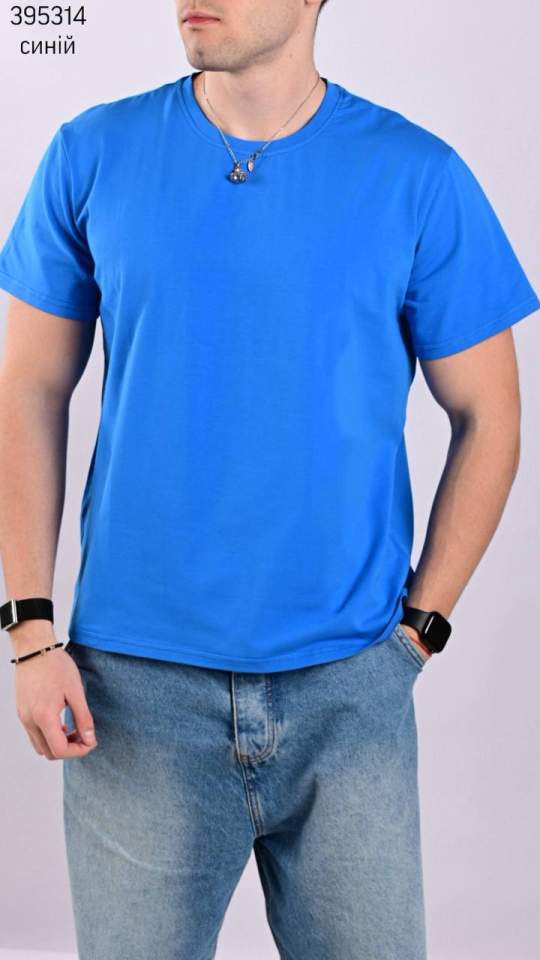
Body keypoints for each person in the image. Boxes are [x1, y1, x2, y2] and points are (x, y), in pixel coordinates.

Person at [0, 1, 538, 957]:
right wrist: (29, 633)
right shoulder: (92, 153)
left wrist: (420, 631)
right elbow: (28, 391)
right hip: (134, 698)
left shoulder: (417, 175)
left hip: (350, 693)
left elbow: (490, 416)